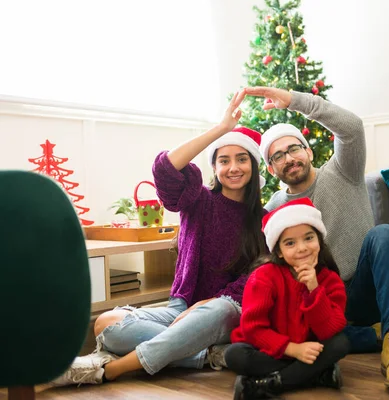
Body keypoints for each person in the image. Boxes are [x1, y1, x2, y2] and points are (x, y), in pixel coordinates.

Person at [51, 90, 267, 386]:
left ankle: (115, 367)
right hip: (179, 307)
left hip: (223, 312)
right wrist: (221, 129)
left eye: (242, 159)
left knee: (218, 308)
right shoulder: (198, 199)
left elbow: (255, 281)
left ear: (253, 166)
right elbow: (164, 169)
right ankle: (210, 355)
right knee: (105, 324)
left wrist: (205, 306)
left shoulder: (264, 218)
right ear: (214, 168)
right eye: (224, 160)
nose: (233, 168)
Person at [247, 86, 389, 390]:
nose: (288, 158)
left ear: (308, 151)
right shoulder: (274, 208)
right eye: (277, 156)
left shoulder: (342, 171)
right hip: (317, 304)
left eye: (293, 149)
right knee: (308, 337)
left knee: (384, 234)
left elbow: (352, 128)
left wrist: (294, 101)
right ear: (272, 168)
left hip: (363, 290)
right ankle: (377, 334)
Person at [225, 197, 350, 399]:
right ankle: (317, 375)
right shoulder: (264, 277)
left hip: (309, 349)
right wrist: (293, 349)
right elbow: (253, 329)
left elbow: (329, 330)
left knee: (340, 343)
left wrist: (313, 289)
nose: (301, 248)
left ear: (319, 240)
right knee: (235, 355)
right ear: (279, 252)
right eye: (290, 243)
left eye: (309, 238)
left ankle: (268, 384)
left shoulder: (330, 280)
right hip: (270, 349)